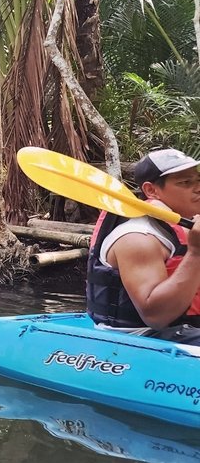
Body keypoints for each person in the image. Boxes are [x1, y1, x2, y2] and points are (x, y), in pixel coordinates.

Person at [86, 148, 200, 345]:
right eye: (185, 182)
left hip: (186, 328)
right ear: (151, 190)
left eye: (198, 180)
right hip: (142, 336)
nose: (197, 188)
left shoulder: (189, 225)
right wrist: (196, 253)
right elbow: (156, 317)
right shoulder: (137, 237)